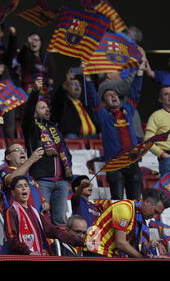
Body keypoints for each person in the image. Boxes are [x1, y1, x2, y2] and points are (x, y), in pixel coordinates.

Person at [85, 63, 146, 200]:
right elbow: (94, 99)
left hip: (132, 162)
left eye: (115, 94)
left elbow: (135, 92)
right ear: (104, 103)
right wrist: (88, 78)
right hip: (115, 165)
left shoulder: (128, 112)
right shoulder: (104, 117)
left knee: (135, 202)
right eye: (108, 95)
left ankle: (135, 222)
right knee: (117, 201)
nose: (113, 96)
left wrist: (140, 71)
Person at [22, 77, 73, 225]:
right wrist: (35, 92)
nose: (47, 109)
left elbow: (64, 151)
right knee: (41, 217)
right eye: (42, 107)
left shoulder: (53, 128)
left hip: (62, 181)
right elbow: (28, 111)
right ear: (35, 113)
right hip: (42, 180)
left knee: (60, 221)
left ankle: (60, 248)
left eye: (47, 107)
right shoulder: (31, 129)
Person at [4, 176, 84, 255]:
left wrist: (81, 242)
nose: (24, 188)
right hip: (22, 257)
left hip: (38, 255)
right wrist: (29, 253)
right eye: (19, 186)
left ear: (29, 190)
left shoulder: (36, 213)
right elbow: (12, 239)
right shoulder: (11, 212)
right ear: (13, 192)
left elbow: (55, 232)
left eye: (26, 186)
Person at [83, 189, 170, 258]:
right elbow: (120, 243)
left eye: (158, 214)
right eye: (155, 211)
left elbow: (132, 246)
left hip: (108, 254)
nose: (155, 217)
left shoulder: (138, 215)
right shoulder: (124, 209)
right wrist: (143, 258)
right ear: (147, 202)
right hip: (96, 251)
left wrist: (151, 255)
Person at [51, 68, 98, 139]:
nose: (77, 85)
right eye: (73, 84)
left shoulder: (85, 104)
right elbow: (57, 97)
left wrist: (87, 77)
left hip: (92, 137)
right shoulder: (63, 103)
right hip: (75, 137)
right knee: (71, 137)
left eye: (79, 84)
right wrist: (67, 82)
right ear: (67, 87)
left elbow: (93, 97)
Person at [144, 85, 170, 175]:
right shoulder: (156, 116)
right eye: (166, 94)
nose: (169, 96)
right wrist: (163, 155)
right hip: (167, 159)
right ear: (160, 99)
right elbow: (147, 141)